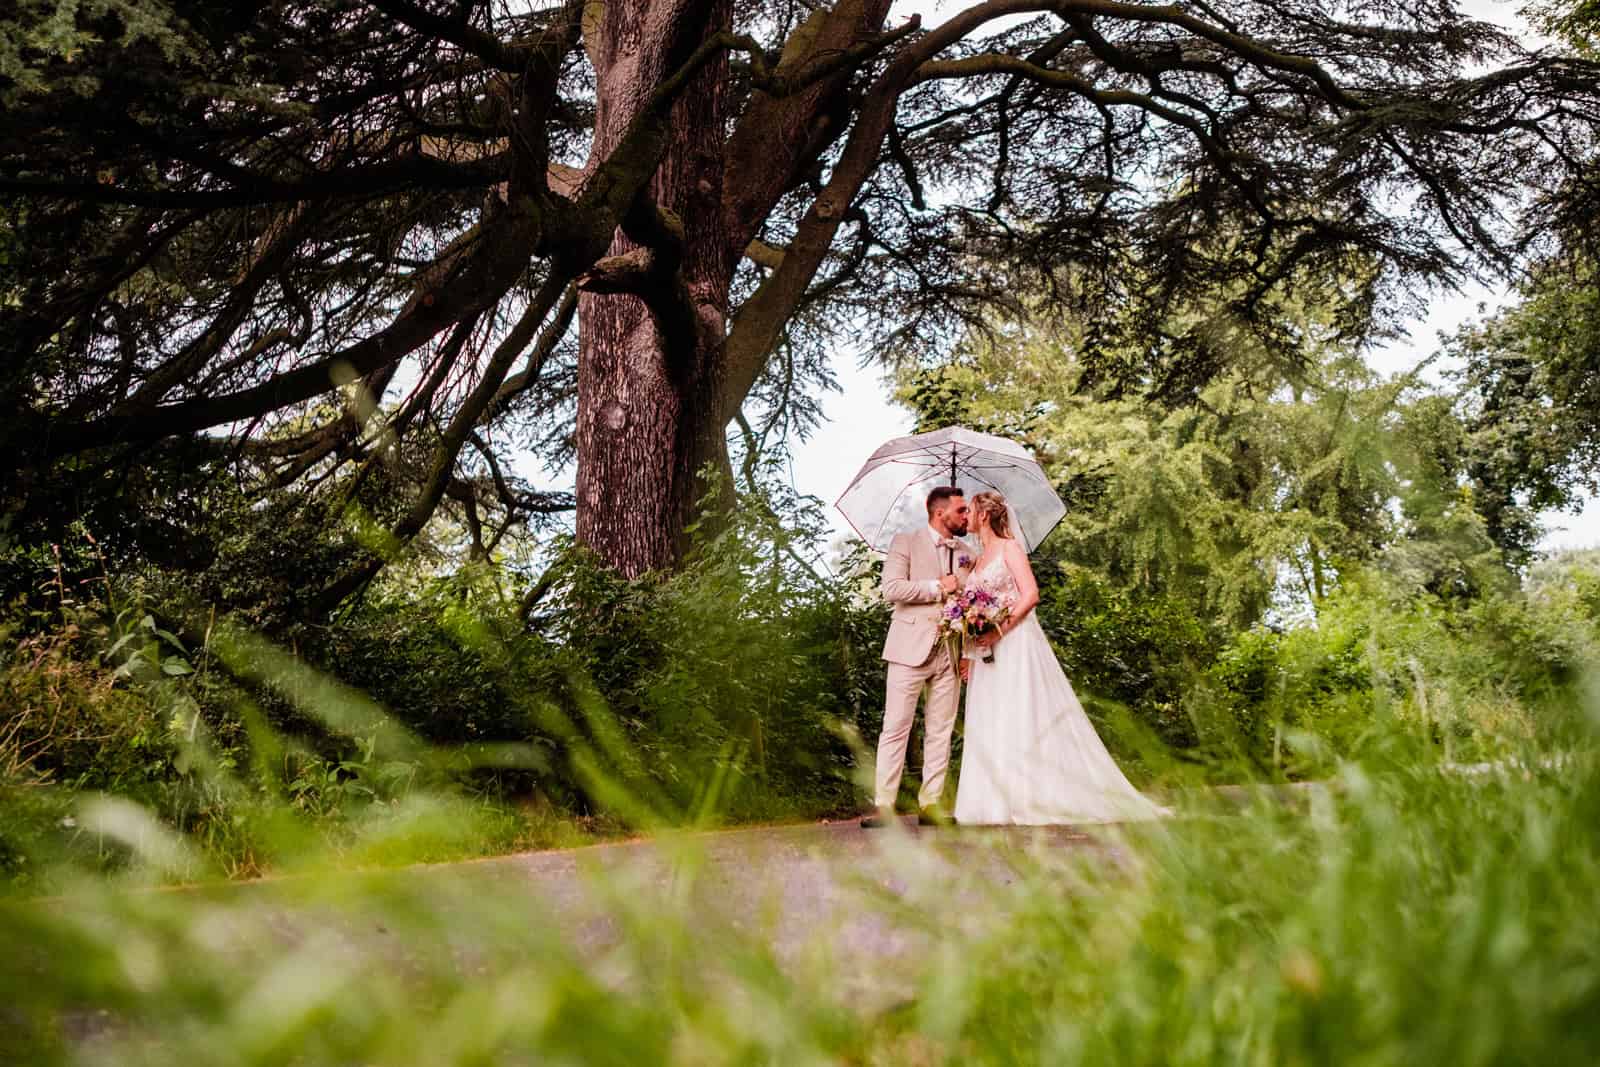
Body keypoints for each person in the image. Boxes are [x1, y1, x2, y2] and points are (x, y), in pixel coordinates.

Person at [954, 490, 1168, 825]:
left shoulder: (1010, 548)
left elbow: (1031, 594)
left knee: (1019, 711)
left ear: (983, 515)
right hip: (986, 650)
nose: (964, 515)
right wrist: (971, 649)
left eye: (969, 510)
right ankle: (992, 799)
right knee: (993, 715)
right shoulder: (978, 560)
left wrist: (1001, 629)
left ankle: (1032, 795)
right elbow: (974, 611)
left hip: (1015, 643)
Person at [862, 486, 974, 828]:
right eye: (961, 511)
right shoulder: (905, 542)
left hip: (950, 651)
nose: (967, 517)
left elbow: (973, 605)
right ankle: (885, 805)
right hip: (908, 648)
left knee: (940, 730)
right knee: (895, 727)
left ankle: (931, 805)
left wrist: (967, 651)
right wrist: (939, 587)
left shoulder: (967, 552)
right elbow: (892, 589)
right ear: (940, 513)